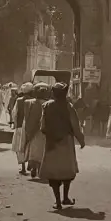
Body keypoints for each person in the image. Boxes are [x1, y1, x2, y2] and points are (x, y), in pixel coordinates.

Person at [39, 82, 86, 210]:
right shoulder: (69, 107)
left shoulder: (46, 106)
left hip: (52, 144)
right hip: (66, 142)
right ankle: (65, 197)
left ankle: (58, 202)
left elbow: (42, 127)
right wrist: (81, 140)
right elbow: (76, 127)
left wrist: (51, 133)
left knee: (53, 174)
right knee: (67, 172)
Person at [23, 83, 49, 178]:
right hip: (43, 131)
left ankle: (33, 167)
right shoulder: (48, 104)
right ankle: (38, 169)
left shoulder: (28, 102)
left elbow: (26, 117)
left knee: (33, 150)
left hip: (32, 130)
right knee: (41, 151)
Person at [12, 83, 33, 174]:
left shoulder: (19, 100)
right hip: (31, 127)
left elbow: (15, 113)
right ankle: (31, 164)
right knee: (30, 145)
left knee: (20, 147)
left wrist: (16, 124)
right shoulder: (33, 101)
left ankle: (23, 167)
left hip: (20, 127)